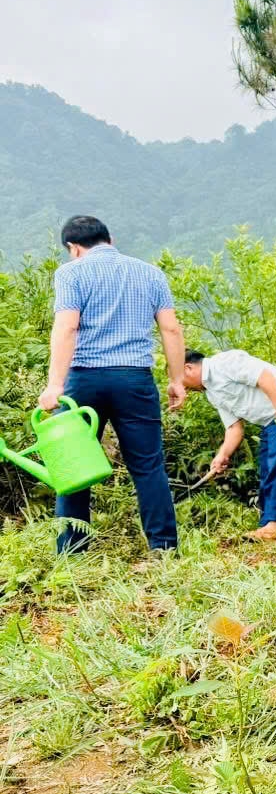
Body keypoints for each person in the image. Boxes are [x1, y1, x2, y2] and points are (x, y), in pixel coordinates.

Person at [40, 215, 185, 553]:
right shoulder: (150, 273)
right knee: (148, 466)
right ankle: (163, 548)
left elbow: (66, 328)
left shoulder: (71, 273)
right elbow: (172, 329)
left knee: (73, 462)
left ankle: (73, 552)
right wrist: (176, 380)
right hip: (135, 379)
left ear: (73, 249)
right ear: (110, 238)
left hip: (84, 380)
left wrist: (54, 385)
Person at [180, 349, 276, 540]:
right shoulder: (212, 394)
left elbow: (264, 377)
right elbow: (234, 428)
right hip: (271, 421)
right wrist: (222, 455)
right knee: (267, 467)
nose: (184, 389)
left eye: (180, 382)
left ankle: (275, 524)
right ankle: (268, 523)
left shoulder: (224, 362)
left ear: (187, 368)